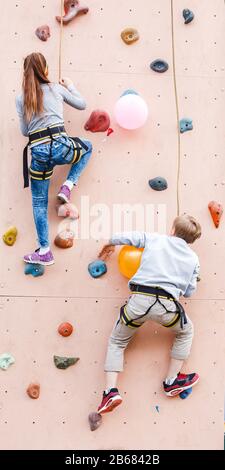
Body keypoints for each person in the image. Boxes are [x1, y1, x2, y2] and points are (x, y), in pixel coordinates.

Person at [97, 214, 201, 414]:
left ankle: (110, 391)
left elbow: (127, 237)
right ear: (192, 240)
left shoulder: (155, 239)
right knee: (186, 331)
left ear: (172, 230)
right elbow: (189, 292)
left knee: (117, 342)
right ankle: (171, 380)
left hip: (139, 301)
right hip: (167, 306)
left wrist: (109, 242)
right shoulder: (193, 258)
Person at [15, 52, 92, 265]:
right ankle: (67, 186)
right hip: (61, 147)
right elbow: (82, 104)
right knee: (87, 147)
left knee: (39, 202)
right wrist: (70, 86)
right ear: (45, 70)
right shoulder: (56, 89)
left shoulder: (21, 98)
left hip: (38, 153)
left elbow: (24, 131)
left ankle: (45, 251)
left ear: (25, 73)